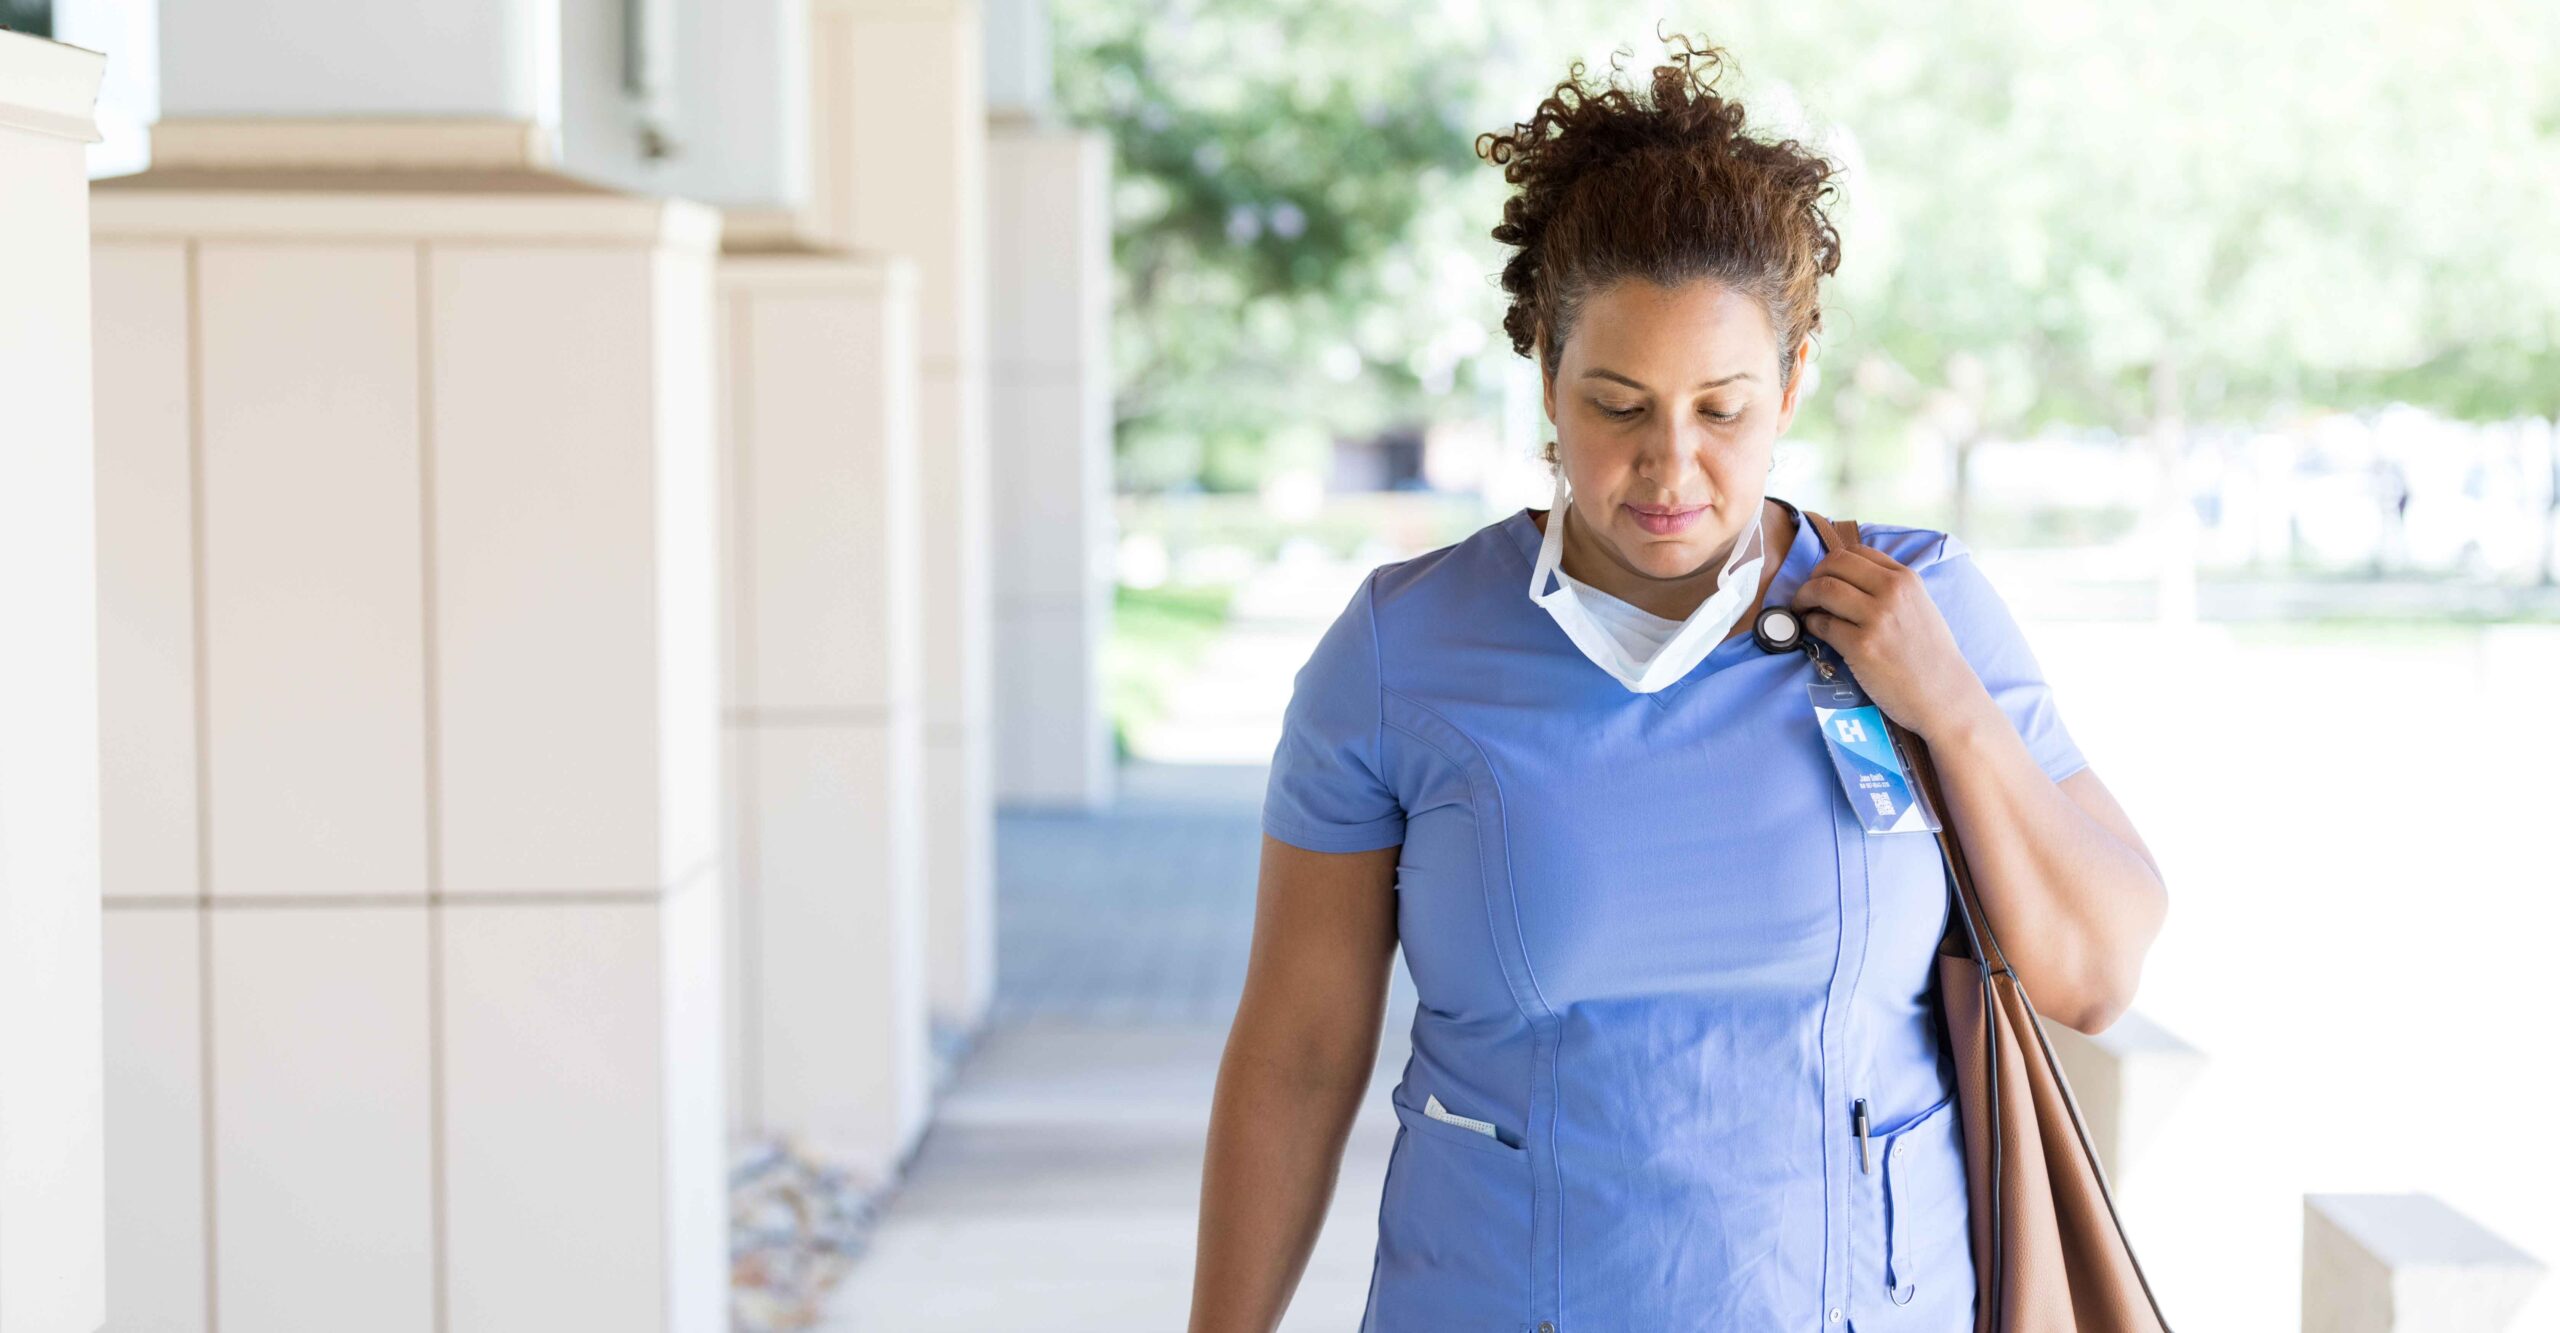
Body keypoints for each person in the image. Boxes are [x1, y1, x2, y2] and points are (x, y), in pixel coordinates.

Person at [1188, 31, 2168, 1333]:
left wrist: (1955, 709)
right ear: (1544, 374)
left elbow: (2097, 972)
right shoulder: (1399, 656)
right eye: (1617, 404)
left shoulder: (1919, 615)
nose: (1670, 467)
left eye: (1722, 409)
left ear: (1793, 381)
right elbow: (1301, 1058)